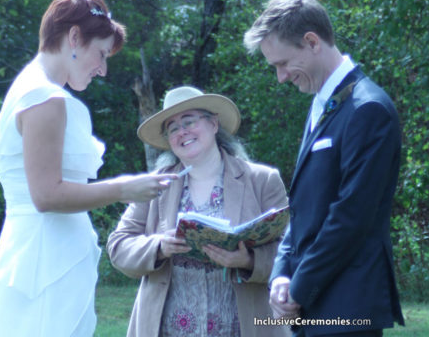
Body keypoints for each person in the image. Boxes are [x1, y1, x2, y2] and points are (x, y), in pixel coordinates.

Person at [0, 0, 176, 337]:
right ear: (74, 37)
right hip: (44, 262)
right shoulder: (44, 97)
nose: (102, 70)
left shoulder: (33, 89)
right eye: (100, 54)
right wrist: (122, 188)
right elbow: (46, 196)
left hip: (43, 253)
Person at [243, 0, 405, 337]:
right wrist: (282, 274)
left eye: (283, 63)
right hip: (313, 308)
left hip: (347, 309)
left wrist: (298, 290)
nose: (281, 77)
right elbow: (303, 209)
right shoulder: (323, 102)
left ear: (312, 42)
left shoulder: (368, 109)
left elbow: (350, 218)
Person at [106, 86, 291, 337]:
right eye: (173, 128)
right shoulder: (155, 185)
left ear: (214, 124)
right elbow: (118, 246)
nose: (182, 132)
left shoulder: (263, 180)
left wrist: (247, 261)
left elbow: (291, 250)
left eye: (189, 121)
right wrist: (159, 246)